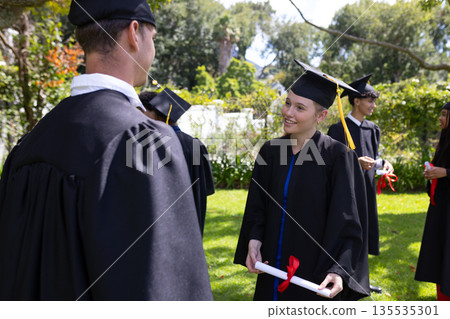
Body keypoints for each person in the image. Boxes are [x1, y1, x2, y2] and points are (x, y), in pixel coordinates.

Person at [0, 0, 212, 300]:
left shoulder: (28, 145)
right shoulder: (144, 141)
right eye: (153, 38)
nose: (152, 48)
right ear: (134, 33)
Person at [234, 60, 370, 301]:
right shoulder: (271, 151)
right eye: (287, 103)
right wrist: (254, 240)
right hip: (271, 268)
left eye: (300, 108)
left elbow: (347, 222)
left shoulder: (338, 156)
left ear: (321, 116)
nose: (288, 112)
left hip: (314, 275)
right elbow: (257, 206)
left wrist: (338, 270)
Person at [327, 74, 393, 294]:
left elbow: (374, 156)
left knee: (364, 233)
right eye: (370, 101)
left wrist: (385, 163)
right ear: (356, 100)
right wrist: (355, 161)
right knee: (347, 232)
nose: (373, 105)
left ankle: (362, 281)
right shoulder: (338, 129)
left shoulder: (373, 129)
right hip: (346, 192)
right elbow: (329, 161)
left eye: (374, 101)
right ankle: (341, 278)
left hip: (367, 190)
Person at [139, 88, 215, 236]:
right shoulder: (196, 144)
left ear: (153, 113)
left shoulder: (152, 146)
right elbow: (207, 189)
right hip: (195, 221)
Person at [415, 102, 450, 301]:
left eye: (445, 114)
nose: (440, 118)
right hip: (441, 209)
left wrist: (445, 172)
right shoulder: (444, 139)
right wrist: (433, 173)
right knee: (441, 257)